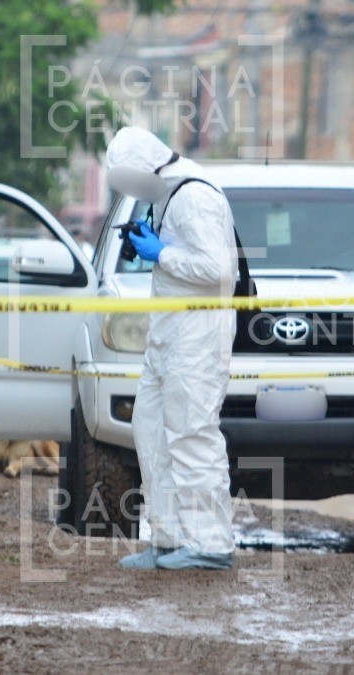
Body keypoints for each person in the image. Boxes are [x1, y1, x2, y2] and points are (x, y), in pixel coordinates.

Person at [104, 126, 237, 570]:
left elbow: (220, 274)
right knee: (151, 428)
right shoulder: (167, 194)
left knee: (191, 433)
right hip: (169, 334)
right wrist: (156, 248)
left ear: (149, 168)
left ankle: (210, 545)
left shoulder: (194, 195)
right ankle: (166, 538)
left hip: (198, 336)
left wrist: (160, 253)